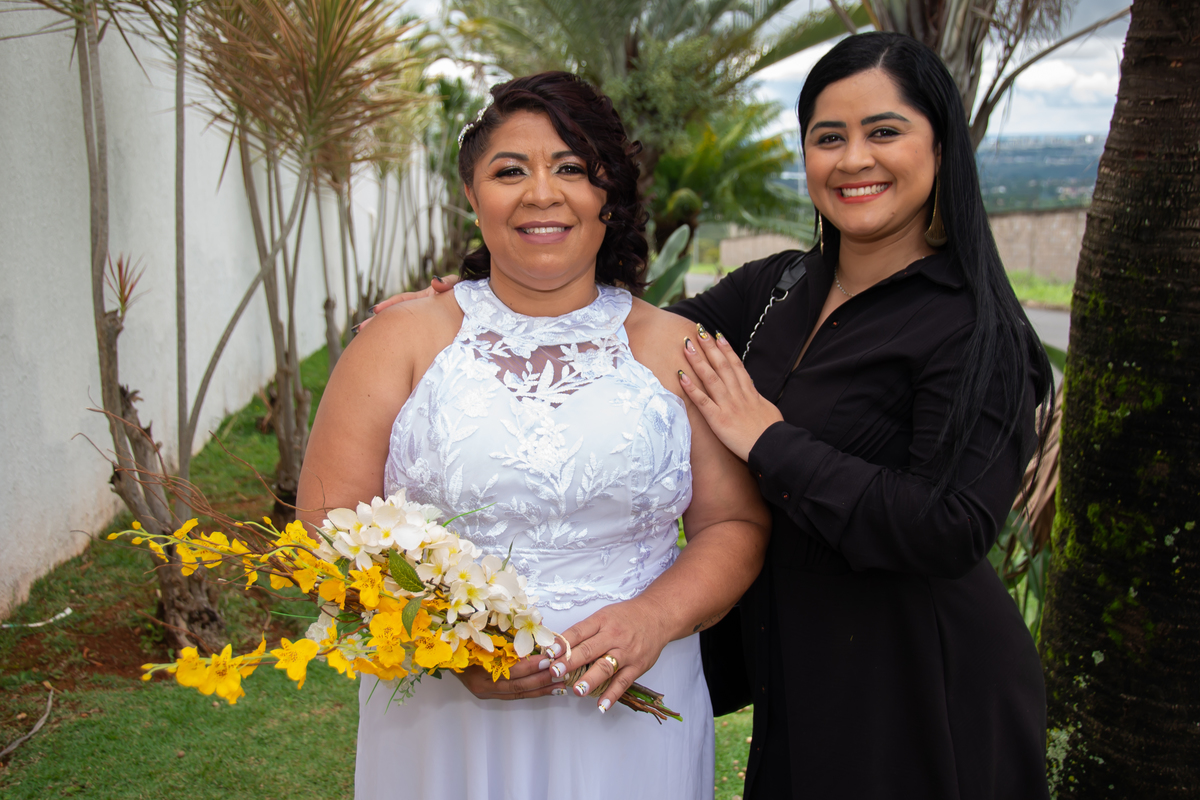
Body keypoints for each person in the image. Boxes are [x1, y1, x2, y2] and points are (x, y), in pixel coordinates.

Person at [378, 32, 1054, 800]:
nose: (854, 159)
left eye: (884, 131)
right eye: (829, 137)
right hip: (796, 670)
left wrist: (768, 440)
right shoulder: (775, 289)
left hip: (921, 680)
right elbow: (610, 335)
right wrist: (473, 305)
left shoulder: (975, 328)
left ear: (942, 146)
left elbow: (950, 527)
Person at [296, 71, 771, 800]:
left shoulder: (676, 349)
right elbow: (326, 524)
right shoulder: (399, 340)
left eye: (571, 168)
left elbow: (734, 523)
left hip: (629, 712)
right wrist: (445, 642)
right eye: (510, 171)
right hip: (441, 716)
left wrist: (655, 617)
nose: (541, 193)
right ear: (471, 194)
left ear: (608, 194)